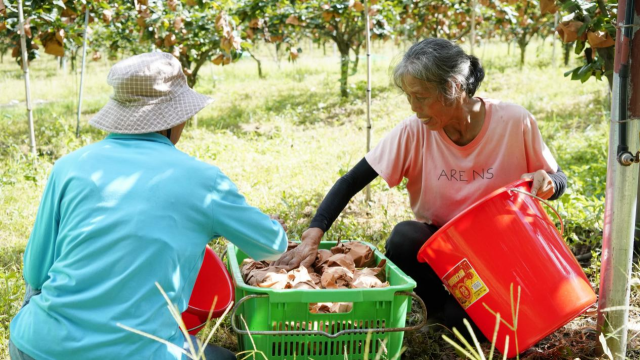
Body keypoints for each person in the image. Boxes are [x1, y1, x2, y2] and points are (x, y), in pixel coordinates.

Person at [275, 38, 567, 338]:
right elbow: (351, 181)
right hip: (450, 255)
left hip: (503, 251)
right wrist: (313, 234)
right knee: (405, 237)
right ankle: (439, 308)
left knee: (468, 324)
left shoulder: (513, 121)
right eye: (409, 97)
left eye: (421, 97)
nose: (414, 108)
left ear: (453, 87)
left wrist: (547, 184)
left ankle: (465, 308)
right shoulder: (414, 132)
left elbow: (559, 180)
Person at [9, 52, 288, 360]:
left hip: (34, 347)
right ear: (176, 117)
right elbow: (273, 248)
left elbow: (35, 274)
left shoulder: (69, 167)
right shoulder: (203, 180)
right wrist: (272, 226)